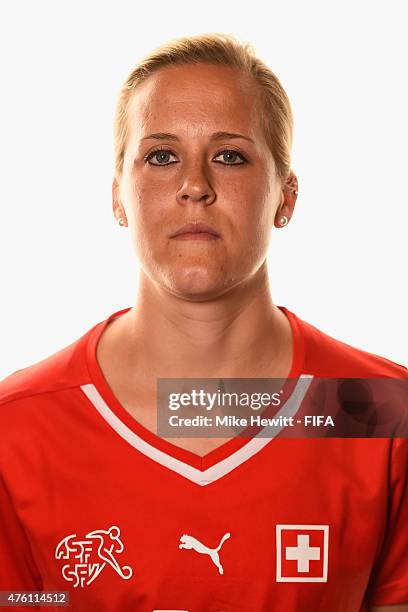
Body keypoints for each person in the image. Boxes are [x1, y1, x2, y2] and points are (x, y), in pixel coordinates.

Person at [0, 32, 407, 612]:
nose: (195, 186)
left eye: (230, 156)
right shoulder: (16, 431)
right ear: (118, 196)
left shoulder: (379, 411)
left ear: (286, 197)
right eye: (161, 156)